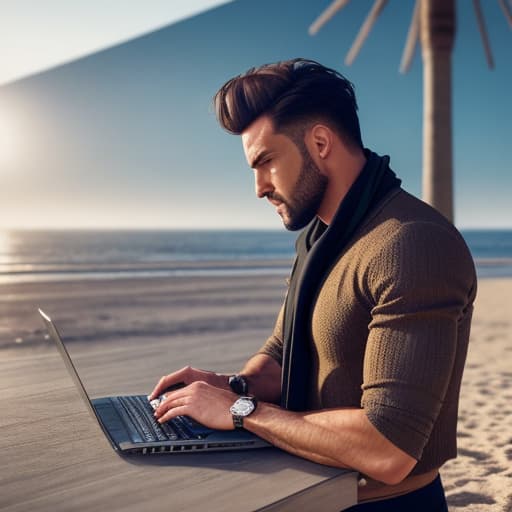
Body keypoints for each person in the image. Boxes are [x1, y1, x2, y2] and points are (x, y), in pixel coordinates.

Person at [149, 58, 477, 511]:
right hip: (311, 490)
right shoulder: (320, 238)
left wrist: (240, 413)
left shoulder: (412, 243)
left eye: (266, 162)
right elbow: (283, 354)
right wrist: (228, 386)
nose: (258, 187)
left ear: (320, 142)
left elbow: (389, 447)